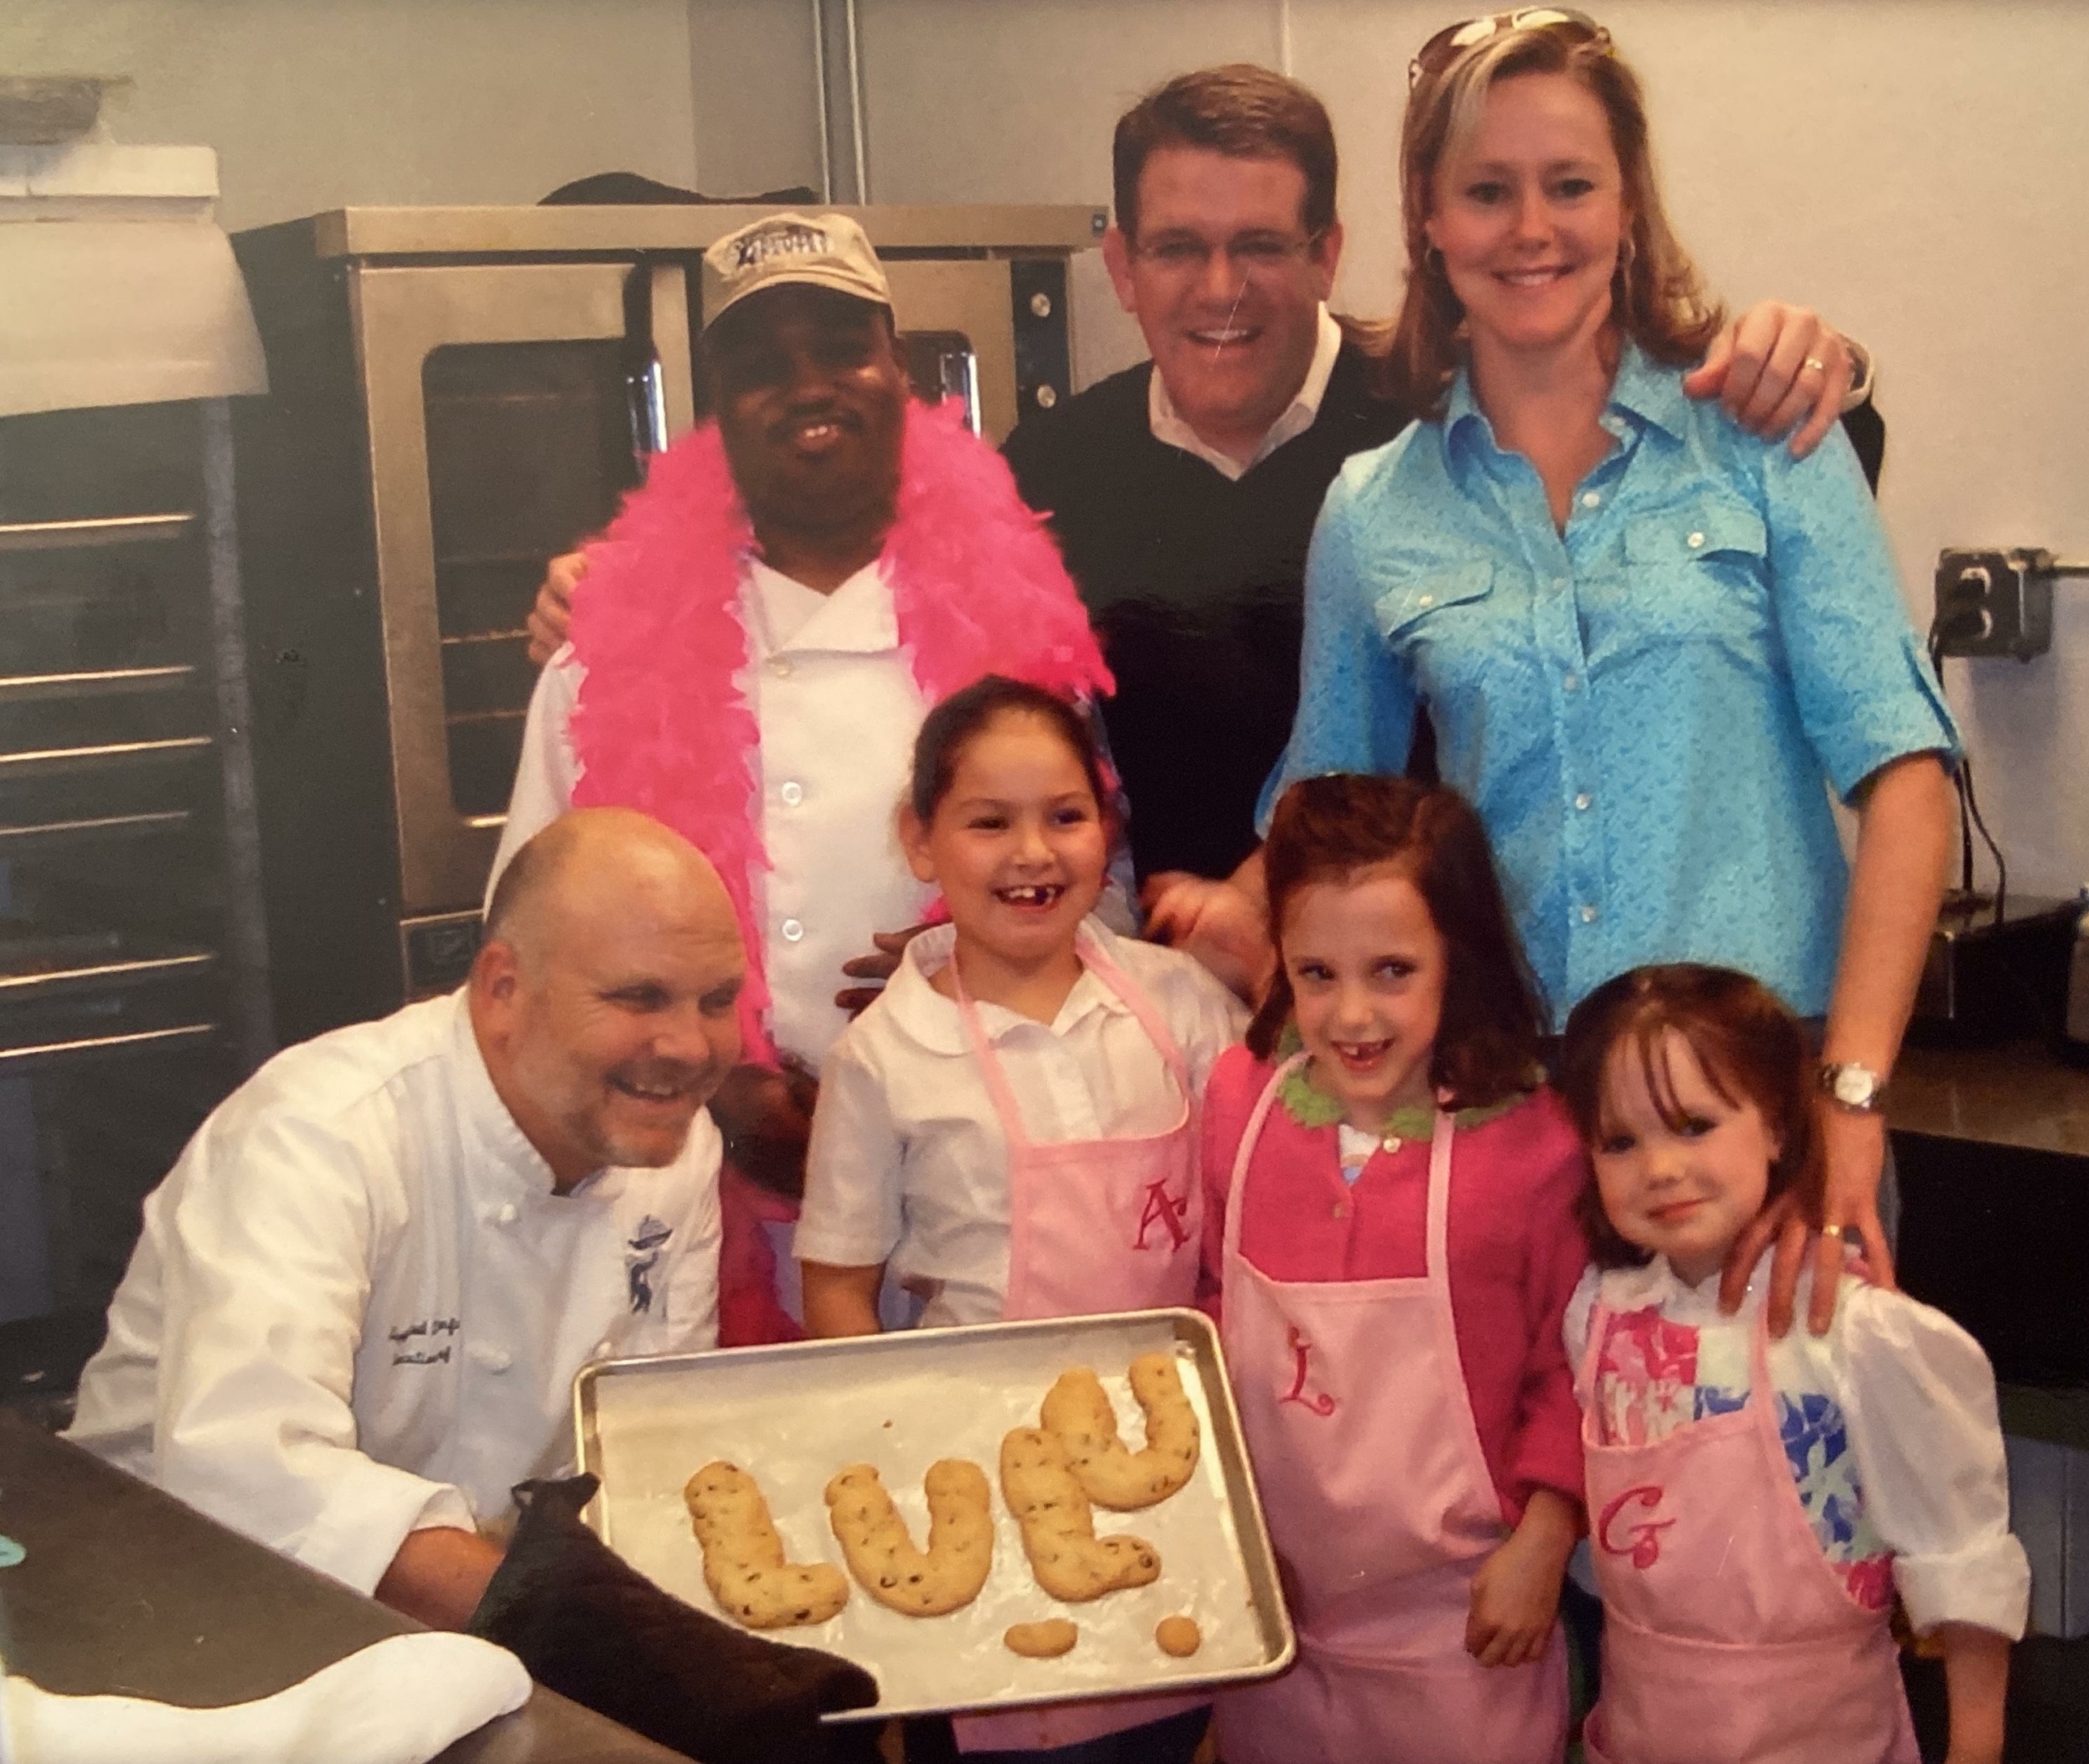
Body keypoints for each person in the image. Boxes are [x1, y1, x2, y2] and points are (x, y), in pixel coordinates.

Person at [525, 70, 1871, 936]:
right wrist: (628, 573)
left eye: (1261, 247)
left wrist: (1834, 367)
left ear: (1331, 252)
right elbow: (837, 521)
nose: (1217, 289)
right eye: (1176, 247)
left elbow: (1741, 451)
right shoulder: (1046, 474)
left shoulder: (1439, 421)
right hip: (1157, 1001)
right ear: (1118, 262)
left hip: (1436, 1007)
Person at [1178, 11, 1956, 1336]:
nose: (1530, 228)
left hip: (1765, 1120)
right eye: (1487, 190)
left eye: (1570, 184)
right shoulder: (1376, 510)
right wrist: (1136, 938)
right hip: (1515, 1121)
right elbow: (1327, 832)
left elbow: (1907, 777)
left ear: (1630, 203)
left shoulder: (1767, 446)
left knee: (1782, 1519)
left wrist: (1850, 1101)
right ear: (1428, 215)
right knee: (1552, 1515)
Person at [493, 213, 1115, 1344]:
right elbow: (524, 968)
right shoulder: (602, 655)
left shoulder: (1019, 643)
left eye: (840, 346)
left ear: (903, 372)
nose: (807, 385)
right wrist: (710, 1088)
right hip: (684, 1196)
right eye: (760, 363)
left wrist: (961, 987)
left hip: (965, 1199)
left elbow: (1094, 917)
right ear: (714, 404)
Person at [68, 809, 744, 1629]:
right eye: (639, 997)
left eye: (716, 1001)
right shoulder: (322, 1134)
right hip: (189, 1617)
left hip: (486, 1622)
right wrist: (578, 1634)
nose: (691, 1046)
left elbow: (651, 1435)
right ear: (503, 989)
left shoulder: (675, 1143)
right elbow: (250, 1470)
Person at [796, 677, 1244, 1762]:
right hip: (977, 1478)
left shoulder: (1175, 1000)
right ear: (920, 839)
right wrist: (903, 1456)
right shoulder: (885, 1055)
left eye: (1065, 815)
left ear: (1108, 829)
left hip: (1169, 1462)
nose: (1032, 852)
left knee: (1164, 1710)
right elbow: (837, 1283)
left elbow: (1250, 1195)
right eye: (989, 822)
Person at [1199, 774, 1590, 1764]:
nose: (1351, 1014)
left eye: (1392, 971)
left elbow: (1577, 1365)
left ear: (1457, 959)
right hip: (1275, 1619)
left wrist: (1545, 1541)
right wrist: (1230, 1535)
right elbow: (1205, 1326)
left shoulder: (1533, 1147)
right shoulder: (1240, 1105)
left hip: (1465, 1632)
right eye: (1316, 973)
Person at [1557, 963, 2027, 1764]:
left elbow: (1962, 1558)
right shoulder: (1600, 1314)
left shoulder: (1857, 1333)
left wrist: (1975, 1749)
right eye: (1621, 1141)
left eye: (1694, 1125)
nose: (1660, 1168)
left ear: (1777, 1125)